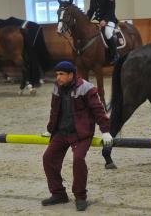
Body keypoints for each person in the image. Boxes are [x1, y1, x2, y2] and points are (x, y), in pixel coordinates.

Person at [42, 61, 113, 211]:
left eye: (61, 74)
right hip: (61, 132)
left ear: (71, 75)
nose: (58, 77)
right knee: (48, 158)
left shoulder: (87, 88)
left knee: (78, 160)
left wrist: (105, 131)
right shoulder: (57, 87)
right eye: (57, 74)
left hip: (80, 134)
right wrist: (50, 129)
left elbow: (98, 110)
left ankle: (80, 197)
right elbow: (54, 110)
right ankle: (58, 193)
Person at [86, 0, 119, 64]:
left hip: (109, 20)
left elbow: (111, 9)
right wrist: (86, 19)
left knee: (107, 32)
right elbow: (91, 11)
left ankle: (115, 55)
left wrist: (105, 20)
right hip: (98, 21)